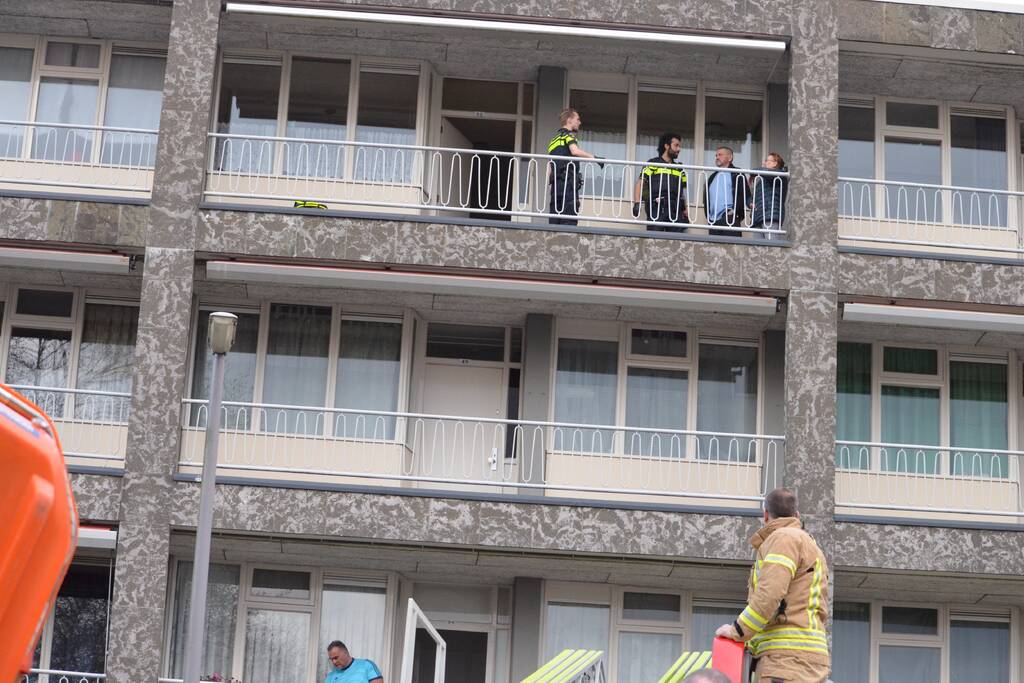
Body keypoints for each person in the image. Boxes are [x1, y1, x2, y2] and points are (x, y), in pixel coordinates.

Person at [715, 488, 830, 683]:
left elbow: (769, 595)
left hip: (785, 662)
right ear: (797, 516)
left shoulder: (783, 538)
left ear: (766, 514)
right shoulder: (811, 545)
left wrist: (738, 630)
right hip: (811, 660)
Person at [546, 107, 599, 225]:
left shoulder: (553, 141)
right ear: (569, 120)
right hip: (568, 185)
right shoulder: (568, 136)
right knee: (569, 221)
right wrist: (595, 158)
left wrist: (550, 185)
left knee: (554, 221)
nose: (579, 122)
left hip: (556, 186)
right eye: (577, 119)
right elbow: (575, 151)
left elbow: (549, 166)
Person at [633, 132, 688, 232]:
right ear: (667, 146)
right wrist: (637, 203)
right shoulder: (653, 163)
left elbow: (682, 193)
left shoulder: (679, 168)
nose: (679, 149)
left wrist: (685, 209)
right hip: (657, 207)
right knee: (654, 239)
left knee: (676, 240)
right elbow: (640, 183)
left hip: (675, 209)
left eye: (679, 146)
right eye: (676, 145)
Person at [701, 146, 748, 237]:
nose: (717, 157)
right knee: (714, 246)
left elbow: (745, 194)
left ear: (730, 158)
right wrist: (709, 217)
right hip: (713, 221)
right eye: (716, 155)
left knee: (732, 246)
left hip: (729, 217)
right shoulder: (712, 177)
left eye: (720, 155)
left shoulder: (737, 173)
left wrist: (734, 211)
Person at [749, 152, 788, 239]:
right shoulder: (762, 179)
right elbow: (754, 197)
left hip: (770, 216)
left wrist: (753, 173)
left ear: (775, 163)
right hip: (758, 217)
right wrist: (750, 203)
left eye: (767, 160)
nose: (764, 163)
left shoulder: (780, 175)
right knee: (757, 246)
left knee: (772, 244)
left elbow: (759, 170)